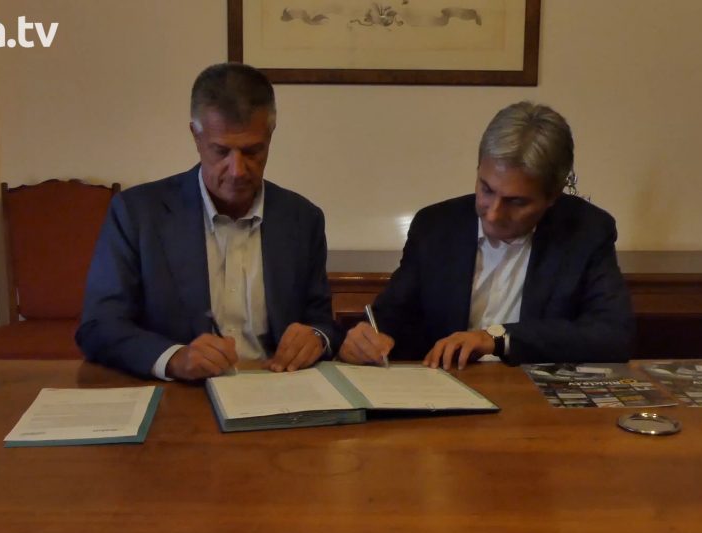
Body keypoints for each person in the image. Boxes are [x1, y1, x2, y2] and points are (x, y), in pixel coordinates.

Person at [76, 63, 341, 381]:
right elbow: (99, 326)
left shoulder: (302, 219)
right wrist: (174, 358)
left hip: (278, 386)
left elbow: (321, 321)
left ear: (270, 135)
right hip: (181, 392)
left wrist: (316, 337)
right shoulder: (137, 214)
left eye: (252, 151)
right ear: (196, 135)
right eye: (221, 151)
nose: (237, 170)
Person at [339, 101, 634, 370]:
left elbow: (611, 335)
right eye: (487, 190)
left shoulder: (586, 232)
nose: (493, 214)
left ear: (553, 196)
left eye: (516, 202)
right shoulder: (435, 227)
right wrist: (363, 340)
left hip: (531, 396)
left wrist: (498, 339)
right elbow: (390, 319)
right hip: (445, 392)